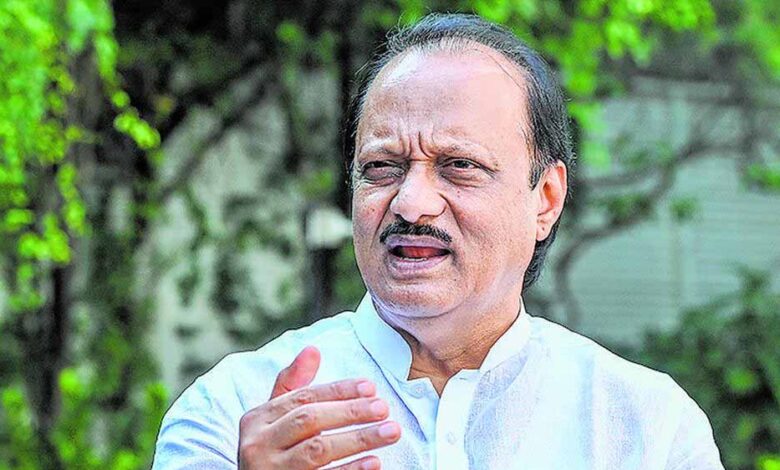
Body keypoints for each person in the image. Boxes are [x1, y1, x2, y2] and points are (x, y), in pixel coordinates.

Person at [152, 13, 724, 470]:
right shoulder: (235, 413)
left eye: (458, 165)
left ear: (545, 199)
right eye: (382, 167)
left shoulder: (646, 427)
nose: (410, 203)